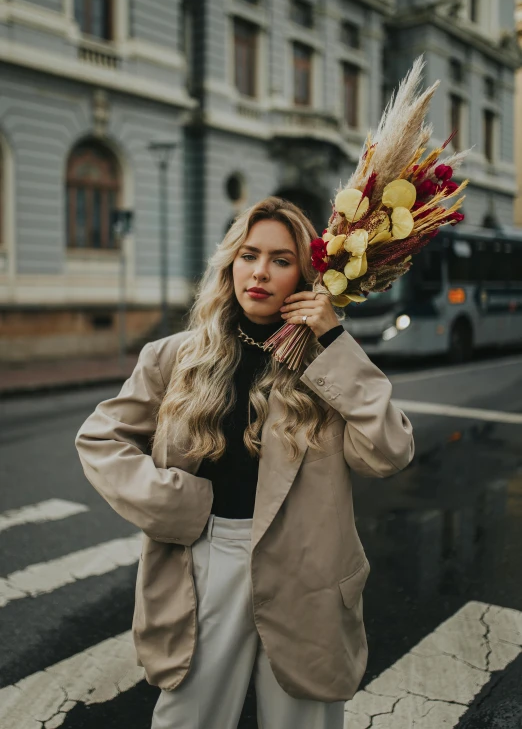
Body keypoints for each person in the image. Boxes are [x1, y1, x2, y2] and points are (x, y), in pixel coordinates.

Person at [75, 196, 414, 729]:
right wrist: (174, 504)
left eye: (281, 260)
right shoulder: (174, 358)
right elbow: (99, 438)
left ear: (305, 274)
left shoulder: (327, 366)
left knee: (303, 720)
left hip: (308, 572)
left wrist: (334, 341)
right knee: (190, 719)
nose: (259, 272)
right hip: (205, 561)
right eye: (249, 255)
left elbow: (390, 451)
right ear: (229, 262)